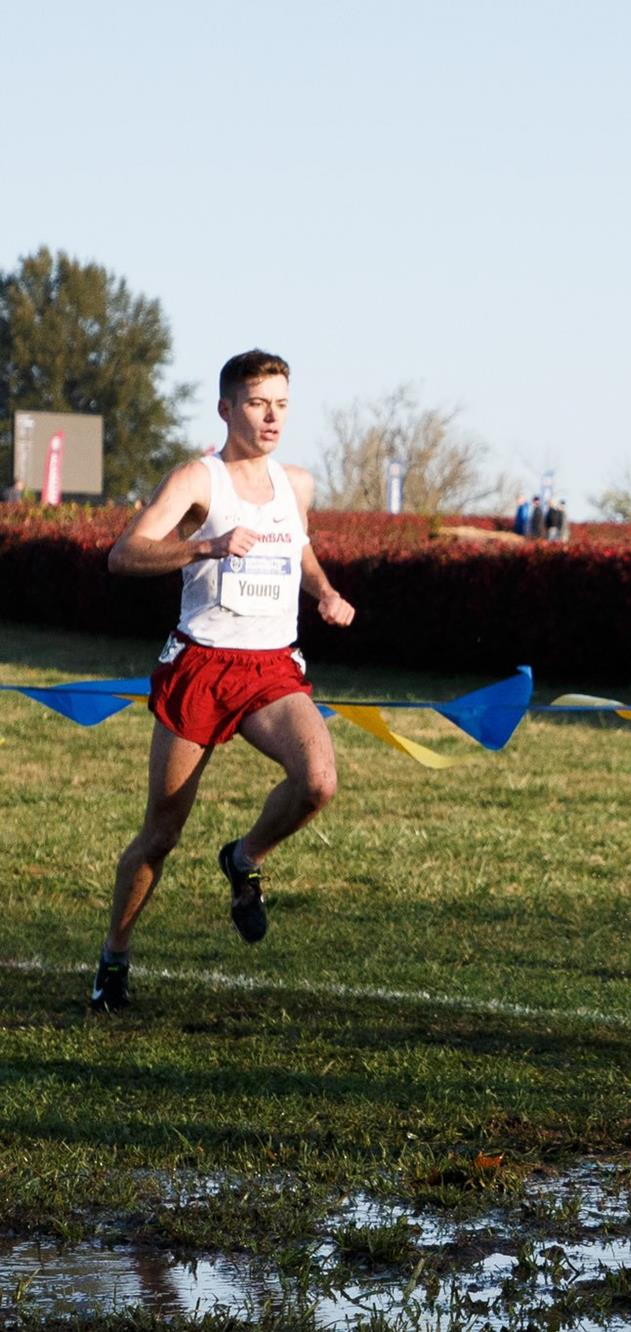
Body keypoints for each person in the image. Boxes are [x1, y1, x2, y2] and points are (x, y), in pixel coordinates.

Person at [91, 350, 356, 1012]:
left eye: (282, 405)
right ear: (227, 408)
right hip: (202, 665)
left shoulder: (296, 483)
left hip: (271, 667)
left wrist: (324, 590)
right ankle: (113, 962)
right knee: (161, 834)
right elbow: (124, 555)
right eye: (258, 403)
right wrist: (205, 545)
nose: (272, 417)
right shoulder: (197, 479)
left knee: (319, 780)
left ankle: (244, 857)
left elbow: (298, 547)